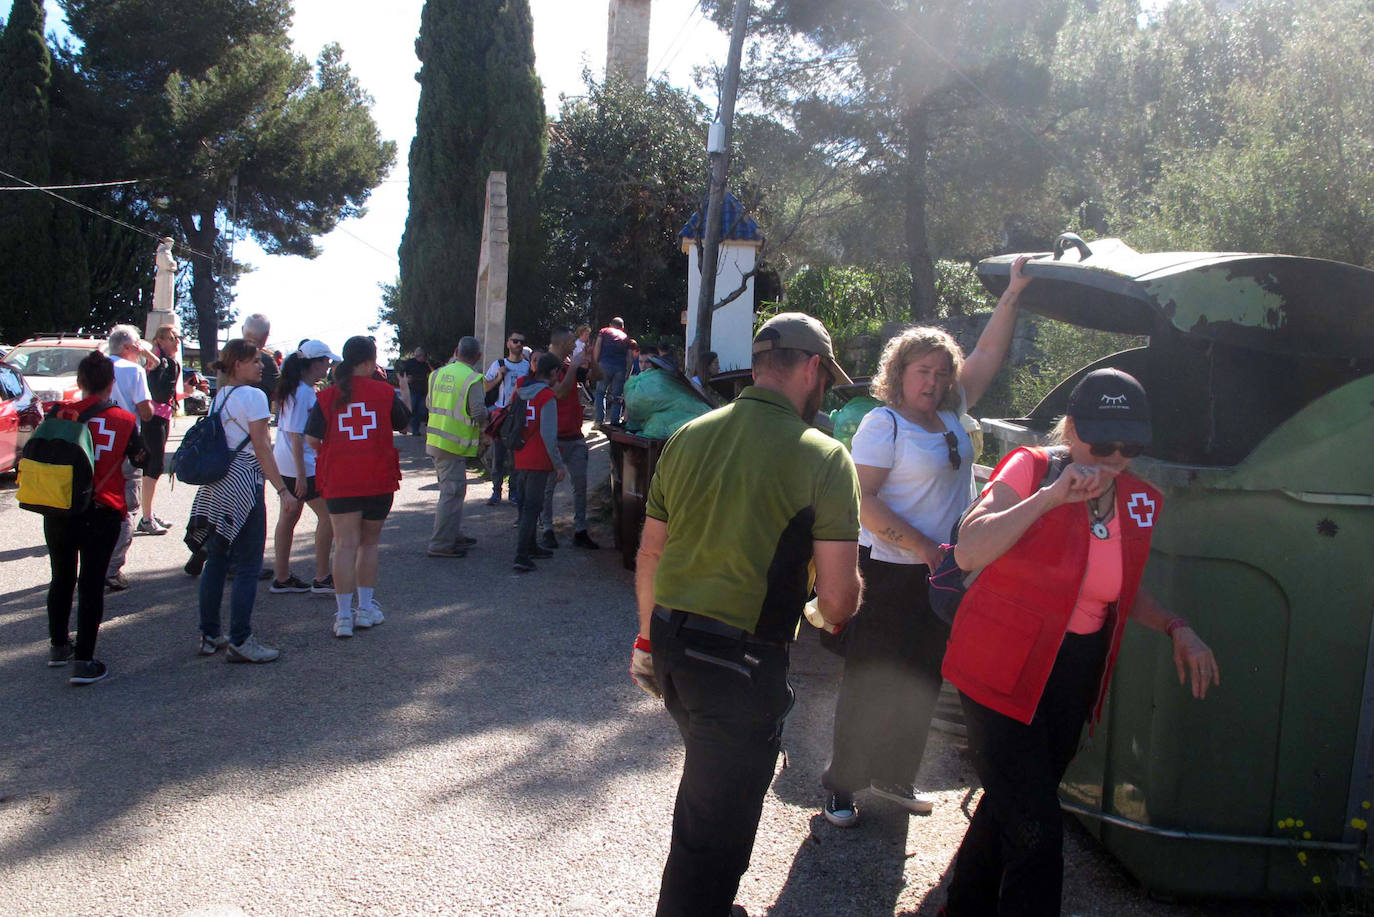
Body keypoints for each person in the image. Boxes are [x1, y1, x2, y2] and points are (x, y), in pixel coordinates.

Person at [941, 368, 1220, 917]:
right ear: (1070, 430)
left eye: (1129, 447)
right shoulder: (1031, 467)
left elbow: (1118, 588)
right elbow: (970, 549)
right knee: (1037, 829)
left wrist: (1177, 627)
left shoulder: (1138, 500)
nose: (1115, 458)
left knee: (1013, 804)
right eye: (1102, 443)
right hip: (998, 666)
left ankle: (964, 907)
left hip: (1073, 672)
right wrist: (1050, 499)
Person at [631, 313, 863, 917]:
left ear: (758, 367)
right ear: (812, 368)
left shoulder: (688, 435)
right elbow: (839, 600)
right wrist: (823, 613)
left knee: (708, 797)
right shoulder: (825, 457)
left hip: (672, 647)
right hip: (739, 665)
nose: (825, 392)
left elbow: (651, 553)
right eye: (826, 380)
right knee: (715, 831)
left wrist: (646, 642)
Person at [820, 255, 1031, 829]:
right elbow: (864, 500)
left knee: (922, 676)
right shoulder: (883, 424)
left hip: (944, 571)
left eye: (941, 373)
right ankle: (842, 785)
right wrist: (924, 548)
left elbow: (987, 355)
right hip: (890, 571)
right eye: (922, 372)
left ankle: (893, 776)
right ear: (899, 373)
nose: (932, 382)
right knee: (871, 677)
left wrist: (1013, 294)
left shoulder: (953, 413)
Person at [187, 339, 298, 663]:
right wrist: (282, 489)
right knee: (249, 564)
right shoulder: (254, 396)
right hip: (245, 483)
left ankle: (210, 634)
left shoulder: (221, 396)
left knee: (217, 560)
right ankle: (241, 639)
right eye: (255, 361)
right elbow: (262, 447)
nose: (262, 367)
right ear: (238, 364)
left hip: (218, 484)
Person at [44, 352, 148, 685]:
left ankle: (58, 647)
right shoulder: (124, 419)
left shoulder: (59, 412)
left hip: (59, 506)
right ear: (111, 384)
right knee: (91, 584)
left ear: (80, 382)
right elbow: (140, 458)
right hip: (102, 509)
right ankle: (85, 661)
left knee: (61, 578)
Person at [306, 335, 409, 638]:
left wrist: (334, 452)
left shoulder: (327, 396)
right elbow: (404, 424)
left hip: (340, 480)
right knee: (369, 544)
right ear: (369, 362)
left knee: (344, 544)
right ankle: (364, 609)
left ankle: (342, 616)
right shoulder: (384, 392)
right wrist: (403, 391)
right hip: (378, 478)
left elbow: (312, 439)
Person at [269, 340, 340, 594]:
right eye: (326, 362)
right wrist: (301, 475)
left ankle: (282, 576)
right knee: (328, 516)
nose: (328, 366)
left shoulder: (297, 389)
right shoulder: (304, 393)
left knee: (289, 517)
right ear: (314, 364)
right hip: (302, 466)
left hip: (287, 462)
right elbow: (297, 435)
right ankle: (322, 577)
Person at [104, 324, 157, 590]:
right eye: (137, 344)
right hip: (125, 442)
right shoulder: (133, 370)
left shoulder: (97, 365)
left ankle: (95, 563)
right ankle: (112, 569)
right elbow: (146, 412)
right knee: (127, 506)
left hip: (95, 441)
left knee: (99, 502)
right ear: (128, 346)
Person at [426, 337, 488, 558]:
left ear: (456, 351)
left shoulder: (436, 374)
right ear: (478, 357)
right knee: (452, 494)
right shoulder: (473, 378)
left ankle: (452, 533)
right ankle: (441, 544)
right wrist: (487, 424)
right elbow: (478, 411)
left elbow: (429, 403)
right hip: (454, 444)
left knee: (450, 491)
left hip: (436, 440)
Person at [537, 327, 598, 551]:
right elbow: (559, 393)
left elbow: (597, 377)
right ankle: (547, 529)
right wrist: (573, 367)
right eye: (573, 341)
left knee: (580, 485)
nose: (575, 345)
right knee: (548, 488)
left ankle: (580, 530)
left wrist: (592, 360)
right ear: (563, 343)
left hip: (575, 436)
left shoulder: (568, 365)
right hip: (555, 438)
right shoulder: (545, 365)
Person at [512, 353, 566, 572]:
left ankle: (531, 546)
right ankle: (521, 555)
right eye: (558, 373)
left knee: (526, 505)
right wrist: (559, 464)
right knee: (532, 508)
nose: (558, 378)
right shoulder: (546, 396)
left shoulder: (521, 390)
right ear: (553, 372)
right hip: (538, 458)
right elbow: (548, 435)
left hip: (520, 454)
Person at [139, 323, 180, 536]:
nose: (176, 342)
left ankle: (148, 513)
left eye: (177, 338)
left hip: (160, 417)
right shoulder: (159, 361)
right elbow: (159, 392)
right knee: (154, 466)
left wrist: (185, 392)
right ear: (160, 341)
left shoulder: (164, 361)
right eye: (171, 338)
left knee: (153, 466)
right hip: (153, 419)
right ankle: (146, 518)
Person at [482, 331, 530, 506]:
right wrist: (499, 377)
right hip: (502, 415)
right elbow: (485, 387)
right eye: (515, 341)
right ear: (508, 344)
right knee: (499, 456)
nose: (518, 344)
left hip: (518, 415)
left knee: (515, 457)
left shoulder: (527, 366)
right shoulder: (499, 364)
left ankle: (514, 492)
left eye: (521, 342)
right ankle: (496, 491)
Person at [592, 316, 630, 425]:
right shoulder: (625, 337)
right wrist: (627, 372)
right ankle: (614, 421)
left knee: (600, 393)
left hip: (605, 365)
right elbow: (629, 357)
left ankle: (599, 421)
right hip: (620, 367)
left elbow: (598, 346)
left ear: (610, 324)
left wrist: (594, 363)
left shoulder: (604, 331)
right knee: (617, 395)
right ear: (622, 328)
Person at [241, 313, 278, 399]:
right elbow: (279, 394)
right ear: (266, 335)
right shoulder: (267, 362)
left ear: (242, 329)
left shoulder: (227, 355)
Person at [398, 346, 433, 436]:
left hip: (423, 390)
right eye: (422, 356)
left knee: (421, 411)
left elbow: (431, 373)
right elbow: (401, 373)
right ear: (418, 356)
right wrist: (406, 378)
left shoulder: (426, 364)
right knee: (411, 409)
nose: (423, 358)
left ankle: (415, 429)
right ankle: (406, 427)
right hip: (412, 390)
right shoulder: (410, 363)